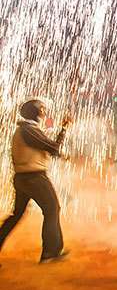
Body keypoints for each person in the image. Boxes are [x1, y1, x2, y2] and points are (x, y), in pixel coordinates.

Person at [0, 99, 73, 266]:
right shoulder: (28, 130)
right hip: (34, 178)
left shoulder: (27, 130)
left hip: (24, 178)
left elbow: (45, 148)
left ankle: (51, 251)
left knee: (16, 215)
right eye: (41, 110)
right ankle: (50, 252)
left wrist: (60, 155)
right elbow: (52, 147)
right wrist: (64, 127)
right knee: (52, 208)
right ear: (35, 113)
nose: (43, 113)